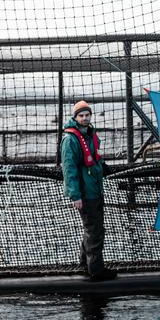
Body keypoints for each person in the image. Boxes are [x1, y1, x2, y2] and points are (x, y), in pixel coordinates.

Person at [61, 100, 117, 281]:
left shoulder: (89, 134)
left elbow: (94, 158)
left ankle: (85, 265)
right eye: (81, 115)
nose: (85, 118)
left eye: (87, 115)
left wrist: (103, 167)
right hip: (86, 192)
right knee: (95, 230)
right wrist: (75, 195)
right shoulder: (70, 139)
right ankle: (96, 271)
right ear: (75, 117)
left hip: (96, 188)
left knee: (92, 229)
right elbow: (69, 169)